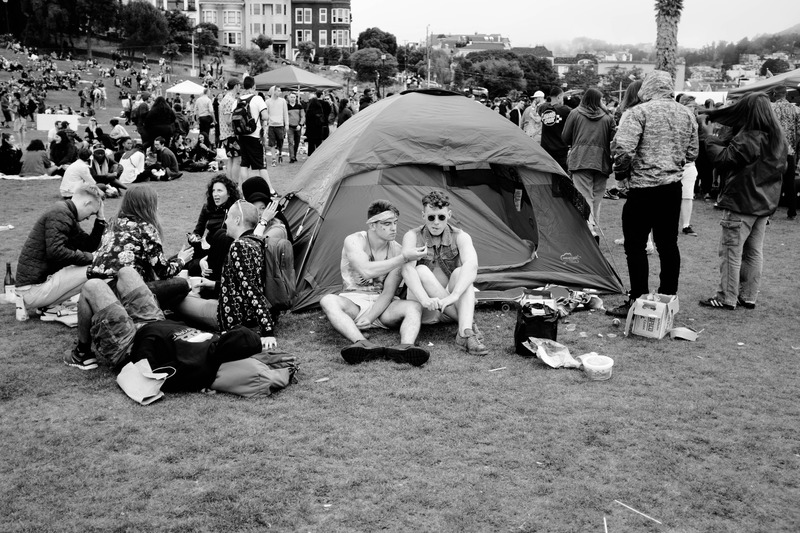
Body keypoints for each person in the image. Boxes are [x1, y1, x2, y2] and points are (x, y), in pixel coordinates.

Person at [606, 70, 699, 318]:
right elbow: (692, 153)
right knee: (668, 244)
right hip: (671, 188)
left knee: (635, 246)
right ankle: (668, 297)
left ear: (646, 87)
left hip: (643, 188)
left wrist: (621, 174)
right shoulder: (686, 113)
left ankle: (637, 297)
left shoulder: (638, 112)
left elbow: (623, 149)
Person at [697, 92, 788, 310]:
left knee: (731, 251)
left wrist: (708, 136)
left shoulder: (750, 136)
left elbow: (724, 159)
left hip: (741, 203)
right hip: (763, 204)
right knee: (754, 252)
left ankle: (726, 297)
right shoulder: (778, 139)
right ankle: (748, 296)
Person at [320, 200, 430, 366]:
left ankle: (406, 347)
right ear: (372, 225)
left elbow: (388, 292)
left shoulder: (398, 250)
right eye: (387, 224)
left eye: (395, 223)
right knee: (327, 300)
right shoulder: (355, 241)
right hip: (353, 301)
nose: (393, 228)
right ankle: (362, 343)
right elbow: (366, 270)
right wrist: (404, 258)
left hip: (382, 305)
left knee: (414, 307)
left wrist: (370, 318)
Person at [400, 191, 488, 356]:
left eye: (441, 217)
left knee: (463, 272)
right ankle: (466, 322)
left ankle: (464, 332)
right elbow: (406, 270)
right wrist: (425, 300)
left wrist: (454, 296)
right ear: (423, 215)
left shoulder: (460, 236)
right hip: (425, 306)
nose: (436, 223)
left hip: (449, 303)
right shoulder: (412, 236)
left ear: (449, 215)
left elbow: (472, 265)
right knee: (420, 270)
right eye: (431, 217)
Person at [15, 184, 105, 316]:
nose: (88, 217)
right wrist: (91, 258)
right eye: (92, 213)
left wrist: (100, 219)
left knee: (94, 265)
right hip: (33, 290)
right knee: (97, 268)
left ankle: (49, 305)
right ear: (87, 202)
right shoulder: (61, 213)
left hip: (33, 287)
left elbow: (89, 246)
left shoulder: (65, 212)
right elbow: (56, 252)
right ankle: (47, 305)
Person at [89, 185, 193, 285]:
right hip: (128, 289)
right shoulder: (145, 228)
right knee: (181, 284)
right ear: (148, 206)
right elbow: (163, 272)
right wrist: (182, 260)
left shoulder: (113, 222)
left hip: (99, 284)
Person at [561, 88, 616, 240]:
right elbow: (614, 139)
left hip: (580, 159)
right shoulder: (608, 117)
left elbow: (565, 137)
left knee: (584, 196)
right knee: (597, 197)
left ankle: (588, 229)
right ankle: (593, 227)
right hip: (602, 161)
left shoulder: (575, 114)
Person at [236, 76, 275, 194]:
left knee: (244, 163)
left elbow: (230, 121)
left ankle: (244, 189)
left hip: (242, 135)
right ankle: (270, 190)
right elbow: (265, 116)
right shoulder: (257, 99)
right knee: (261, 165)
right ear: (254, 86)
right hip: (254, 135)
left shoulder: (237, 100)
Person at [770, 85, 799, 219]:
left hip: (774, 149)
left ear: (775, 94)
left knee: (771, 181)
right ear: (786, 94)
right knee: (790, 182)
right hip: (790, 150)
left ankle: (768, 212)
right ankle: (792, 211)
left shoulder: (771, 108)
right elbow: (799, 131)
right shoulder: (796, 109)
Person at [538, 87, 572, 171]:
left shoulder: (543, 108)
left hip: (545, 149)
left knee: (548, 176)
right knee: (562, 176)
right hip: (560, 149)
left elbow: (540, 109)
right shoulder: (565, 110)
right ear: (559, 97)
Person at [218, 78, 241, 179]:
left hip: (225, 134)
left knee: (231, 159)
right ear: (236, 86)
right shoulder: (229, 100)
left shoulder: (226, 99)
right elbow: (228, 120)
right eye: (239, 85)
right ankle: (234, 183)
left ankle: (230, 182)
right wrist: (235, 130)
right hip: (230, 134)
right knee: (237, 159)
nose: (240, 87)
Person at [264, 86, 289, 166]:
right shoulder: (268, 102)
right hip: (271, 125)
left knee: (280, 141)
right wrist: (266, 125)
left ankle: (280, 153)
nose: (280, 92)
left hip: (280, 125)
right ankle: (273, 159)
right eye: (278, 90)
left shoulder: (282, 101)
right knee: (272, 143)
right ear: (274, 91)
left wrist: (286, 124)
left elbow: (285, 113)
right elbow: (266, 114)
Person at [286, 92, 305, 163]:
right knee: (290, 142)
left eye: (294, 97)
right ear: (289, 98)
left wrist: (300, 124)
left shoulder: (299, 106)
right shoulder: (286, 107)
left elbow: (303, 116)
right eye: (291, 97)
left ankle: (294, 155)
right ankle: (292, 157)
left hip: (298, 127)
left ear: (296, 98)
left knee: (297, 142)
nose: (293, 99)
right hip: (290, 127)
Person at [305, 92, 325, 156]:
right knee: (318, 143)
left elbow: (307, 121)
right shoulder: (320, 111)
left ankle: (310, 156)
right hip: (318, 130)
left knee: (311, 144)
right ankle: (319, 155)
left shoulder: (309, 111)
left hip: (310, 130)